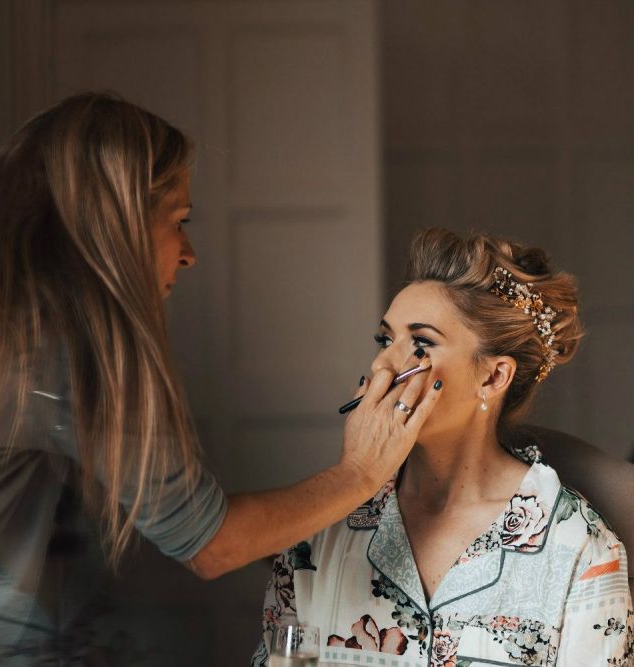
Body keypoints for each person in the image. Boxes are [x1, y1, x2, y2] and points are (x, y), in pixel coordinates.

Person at [0, 92, 443, 666]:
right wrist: (361, 473)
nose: (188, 252)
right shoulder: (61, 339)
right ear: (119, 221)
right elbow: (212, 544)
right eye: (177, 219)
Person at [250, 228, 633, 666]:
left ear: (492, 377)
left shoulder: (580, 550)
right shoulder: (319, 534)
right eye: (384, 340)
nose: (381, 364)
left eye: (421, 344)